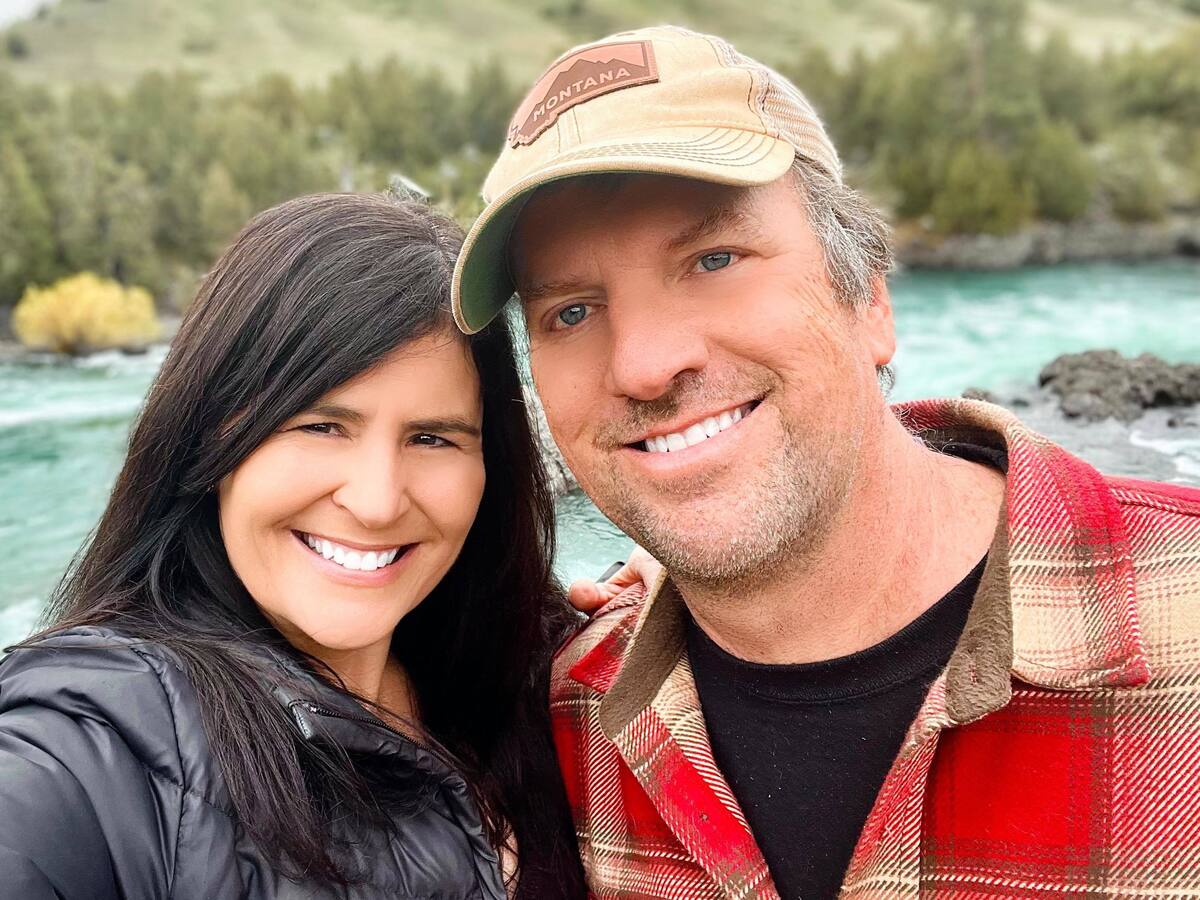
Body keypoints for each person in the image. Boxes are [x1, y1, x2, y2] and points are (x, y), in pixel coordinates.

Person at [451, 25, 1200, 900]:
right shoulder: (568, 723)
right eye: (572, 313)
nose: (645, 365)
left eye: (715, 259)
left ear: (869, 296)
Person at [0, 193, 586, 899]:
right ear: (211, 432)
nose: (376, 502)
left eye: (432, 438)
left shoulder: (543, 676)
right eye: (321, 426)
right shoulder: (92, 746)